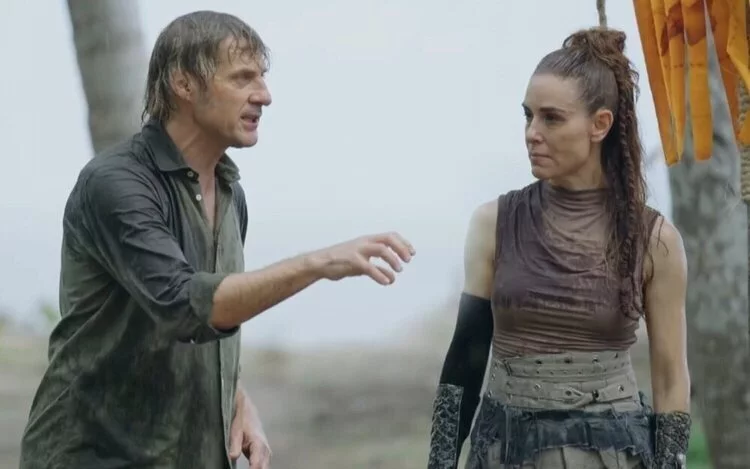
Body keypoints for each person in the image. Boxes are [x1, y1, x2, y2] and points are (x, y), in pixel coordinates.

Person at [19, 10, 415, 469]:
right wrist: (318, 264)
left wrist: (237, 398)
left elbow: (208, 329)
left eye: (262, 77)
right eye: (243, 78)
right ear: (184, 84)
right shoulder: (116, 184)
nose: (264, 95)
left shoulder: (230, 193)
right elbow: (182, 305)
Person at [426, 27, 690, 469]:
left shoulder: (655, 239)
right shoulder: (494, 223)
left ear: (600, 124)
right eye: (528, 116)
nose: (532, 133)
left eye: (551, 118)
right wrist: (440, 462)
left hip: (610, 455)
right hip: (503, 453)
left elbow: (670, 378)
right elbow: (466, 359)